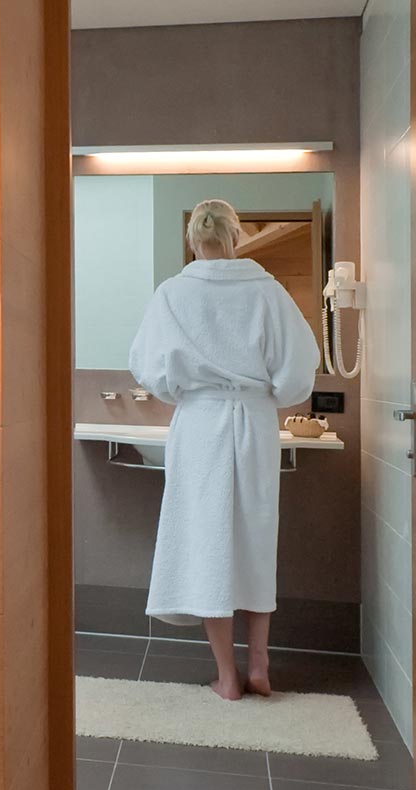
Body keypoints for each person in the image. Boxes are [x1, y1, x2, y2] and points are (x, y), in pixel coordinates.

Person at [129, 199, 321, 700]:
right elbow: (298, 372)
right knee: (256, 537)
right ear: (236, 236)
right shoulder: (268, 291)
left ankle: (227, 676)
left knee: (207, 540)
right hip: (255, 424)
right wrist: (264, 393)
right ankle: (259, 663)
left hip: (199, 424)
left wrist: (188, 392)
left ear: (193, 239)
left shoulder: (172, 293)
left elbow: (151, 369)